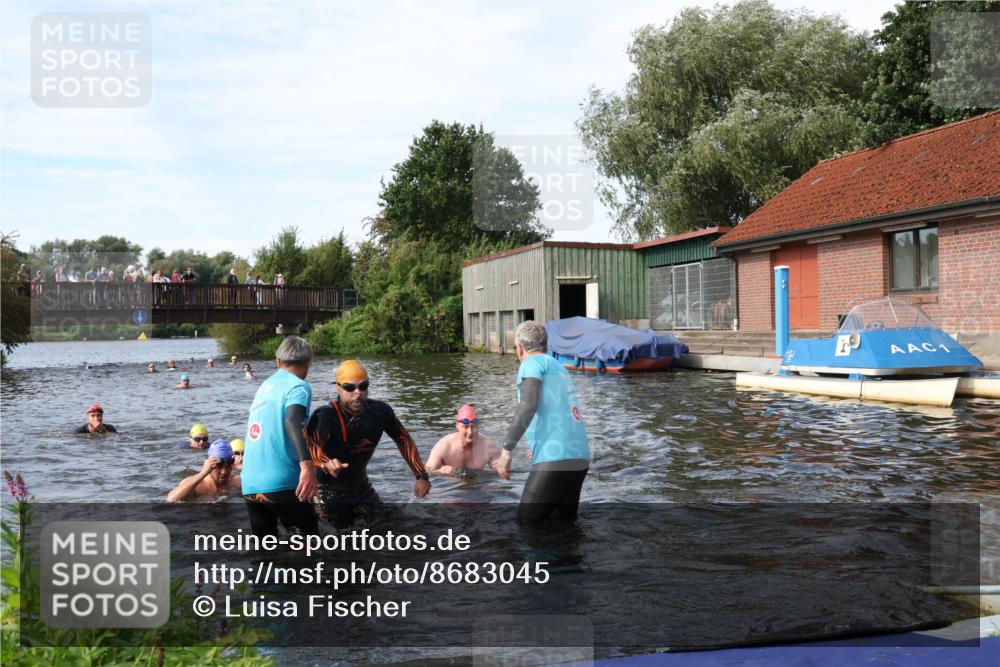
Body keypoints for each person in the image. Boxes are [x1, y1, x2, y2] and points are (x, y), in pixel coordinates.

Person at [306, 359, 430, 527]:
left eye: (363, 386)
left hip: (362, 489)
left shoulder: (380, 411)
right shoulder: (325, 415)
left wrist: (421, 476)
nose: (357, 392)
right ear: (338, 388)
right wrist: (325, 462)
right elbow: (311, 448)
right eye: (350, 388)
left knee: (397, 526)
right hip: (327, 492)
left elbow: (403, 439)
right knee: (341, 542)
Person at [496, 321, 590, 523]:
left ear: (519, 348)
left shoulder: (530, 363)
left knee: (526, 525)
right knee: (563, 527)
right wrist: (539, 443)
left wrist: (506, 450)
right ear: (545, 345)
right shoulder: (560, 368)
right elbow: (559, 410)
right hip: (580, 457)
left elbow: (528, 405)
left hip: (555, 457)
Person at [241, 336, 319, 538]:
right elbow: (292, 420)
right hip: (281, 482)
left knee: (266, 551)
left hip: (250, 484)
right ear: (309, 363)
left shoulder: (265, 386)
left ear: (277, 361)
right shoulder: (298, 387)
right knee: (311, 549)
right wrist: (306, 465)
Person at [426, 404, 500, 476]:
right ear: (457, 426)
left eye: (473, 427)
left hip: (476, 484)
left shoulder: (488, 446)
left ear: (478, 426)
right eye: (465, 427)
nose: (470, 432)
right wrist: (439, 471)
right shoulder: (444, 446)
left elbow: (502, 470)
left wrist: (505, 462)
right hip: (449, 484)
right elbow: (425, 471)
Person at [166, 439, 240, 502]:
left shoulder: (236, 482)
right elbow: (171, 500)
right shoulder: (197, 485)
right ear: (209, 464)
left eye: (227, 466)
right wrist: (203, 473)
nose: (224, 472)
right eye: (219, 466)